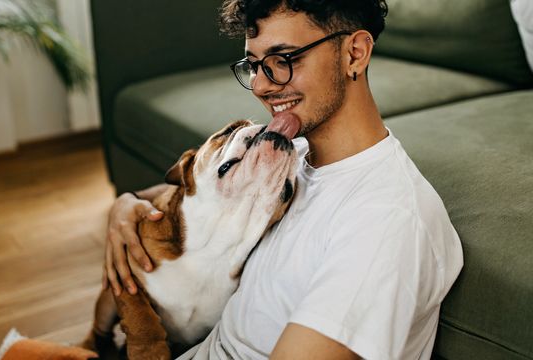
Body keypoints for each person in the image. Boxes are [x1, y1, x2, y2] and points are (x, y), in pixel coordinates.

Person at [103, 0, 464, 359]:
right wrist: (127, 206)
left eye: (284, 60)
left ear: (355, 53)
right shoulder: (292, 156)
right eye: (255, 65)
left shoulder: (385, 220)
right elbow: (186, 190)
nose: (261, 85)